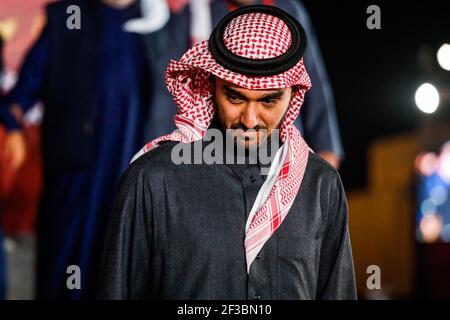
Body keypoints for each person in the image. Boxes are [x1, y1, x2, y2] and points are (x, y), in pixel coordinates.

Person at [97, 5, 356, 300]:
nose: (250, 119)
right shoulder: (153, 180)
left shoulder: (320, 186)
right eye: (235, 97)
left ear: (293, 95)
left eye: (269, 101)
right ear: (211, 86)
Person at [0, 0, 163, 299]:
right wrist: (12, 126)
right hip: (75, 175)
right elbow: (23, 93)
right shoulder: (68, 17)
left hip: (141, 177)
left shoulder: (159, 21)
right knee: (64, 269)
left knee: (129, 267)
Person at [144, 0, 344, 169]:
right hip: (214, 151)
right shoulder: (197, 13)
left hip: (278, 151)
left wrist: (327, 150)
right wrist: (162, 153)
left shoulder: (288, 10)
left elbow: (315, 86)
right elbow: (170, 87)